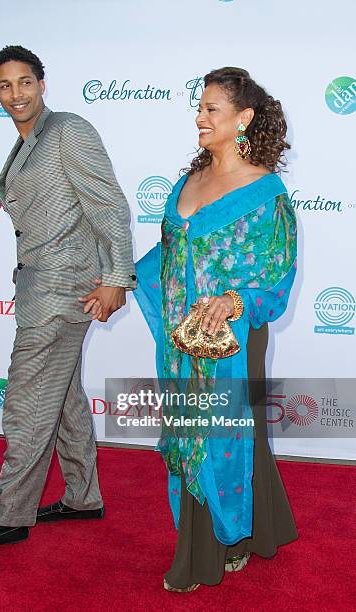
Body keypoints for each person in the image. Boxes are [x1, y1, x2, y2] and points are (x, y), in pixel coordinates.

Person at [0, 45, 136, 549]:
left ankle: (9, 515)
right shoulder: (25, 142)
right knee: (66, 400)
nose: (15, 94)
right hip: (40, 290)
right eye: (5, 86)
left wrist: (116, 276)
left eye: (24, 82)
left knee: (27, 406)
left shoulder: (68, 130)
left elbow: (110, 205)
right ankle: (82, 497)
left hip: (63, 291)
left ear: (42, 84)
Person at [134, 67, 298, 591]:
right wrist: (118, 281)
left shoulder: (264, 192)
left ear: (243, 118)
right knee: (204, 433)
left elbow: (278, 270)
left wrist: (233, 300)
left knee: (221, 438)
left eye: (211, 109)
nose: (199, 117)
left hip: (234, 338)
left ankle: (205, 554)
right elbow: (169, 254)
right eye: (199, 108)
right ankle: (256, 531)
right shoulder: (188, 181)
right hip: (183, 342)